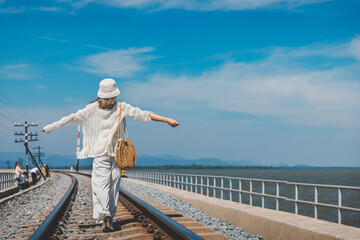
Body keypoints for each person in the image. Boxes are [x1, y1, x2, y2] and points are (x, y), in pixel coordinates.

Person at [41, 78, 179, 232]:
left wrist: (50, 127)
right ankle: (109, 217)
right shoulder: (121, 107)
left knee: (100, 185)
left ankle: (105, 213)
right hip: (118, 154)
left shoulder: (91, 109)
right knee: (114, 185)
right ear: (114, 95)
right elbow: (143, 115)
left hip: (101, 154)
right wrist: (167, 120)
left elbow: (72, 118)